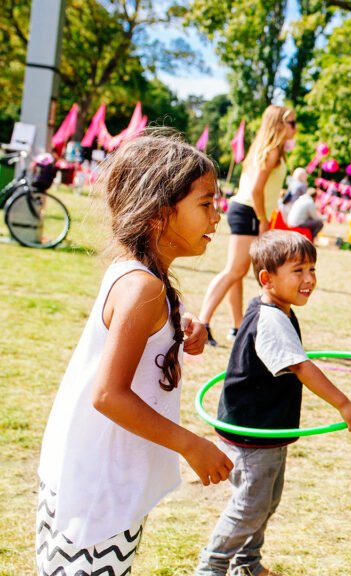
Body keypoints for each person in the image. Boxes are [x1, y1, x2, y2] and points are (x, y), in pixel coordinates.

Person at [35, 135, 233, 575]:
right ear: (161, 214)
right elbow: (108, 395)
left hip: (98, 472)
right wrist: (191, 445)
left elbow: (139, 337)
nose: (217, 216)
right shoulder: (143, 287)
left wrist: (179, 332)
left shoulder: (138, 275)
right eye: (206, 204)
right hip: (98, 484)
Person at [195, 231, 351, 576]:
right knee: (249, 507)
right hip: (252, 433)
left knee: (265, 503)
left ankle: (247, 564)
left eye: (312, 269)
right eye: (298, 270)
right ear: (267, 279)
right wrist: (344, 404)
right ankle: (210, 568)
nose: (309, 279)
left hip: (268, 430)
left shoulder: (276, 309)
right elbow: (302, 366)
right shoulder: (271, 319)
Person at [198, 105, 297, 347]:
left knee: (238, 273)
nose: (295, 128)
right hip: (249, 211)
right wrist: (263, 219)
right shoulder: (271, 151)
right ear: (279, 124)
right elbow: (256, 190)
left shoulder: (267, 149)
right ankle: (203, 323)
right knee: (233, 270)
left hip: (246, 210)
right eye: (292, 123)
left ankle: (237, 326)